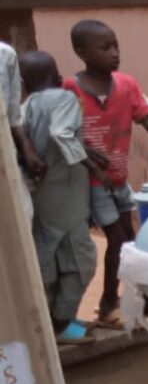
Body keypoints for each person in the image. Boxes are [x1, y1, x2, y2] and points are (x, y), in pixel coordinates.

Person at [63, 19, 148, 328]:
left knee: (133, 239)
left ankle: (141, 297)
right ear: (81, 52)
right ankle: (108, 302)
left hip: (118, 179)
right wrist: (90, 160)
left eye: (116, 46)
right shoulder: (70, 89)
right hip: (92, 182)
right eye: (105, 47)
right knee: (119, 240)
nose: (114, 53)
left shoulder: (127, 85)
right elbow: (63, 134)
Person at [20, 50, 100, 344]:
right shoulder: (65, 98)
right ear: (57, 76)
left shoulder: (25, 108)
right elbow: (61, 133)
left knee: (48, 260)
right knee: (82, 261)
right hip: (66, 199)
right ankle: (60, 322)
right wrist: (89, 164)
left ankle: (51, 323)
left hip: (41, 199)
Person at [2, 40, 45, 217]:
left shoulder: (5, 55)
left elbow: (13, 116)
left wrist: (28, 149)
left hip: (4, 155)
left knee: (21, 216)